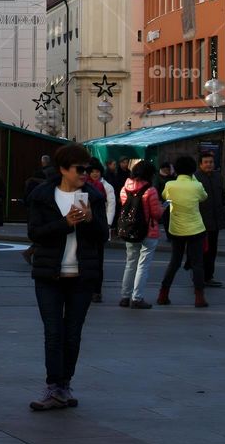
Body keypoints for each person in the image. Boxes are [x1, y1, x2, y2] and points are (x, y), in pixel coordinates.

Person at [26, 143, 108, 411]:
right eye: (80, 169)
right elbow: (35, 233)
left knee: (72, 334)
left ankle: (64, 385)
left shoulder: (93, 197)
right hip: (49, 275)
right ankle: (53, 386)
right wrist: (66, 224)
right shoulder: (42, 195)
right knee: (53, 332)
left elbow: (103, 236)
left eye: (88, 169)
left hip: (81, 276)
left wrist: (90, 221)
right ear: (63, 169)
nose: (85, 173)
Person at [156, 155, 208, 308]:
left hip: (176, 229)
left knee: (174, 262)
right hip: (196, 229)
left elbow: (165, 196)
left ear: (176, 169)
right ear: (193, 169)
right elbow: (204, 197)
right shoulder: (197, 186)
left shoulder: (170, 185)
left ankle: (163, 294)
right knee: (198, 263)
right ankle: (199, 297)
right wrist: (194, 180)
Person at [117, 160, 162, 309]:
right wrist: (163, 208)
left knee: (130, 263)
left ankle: (125, 297)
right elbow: (156, 213)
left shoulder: (125, 189)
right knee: (143, 266)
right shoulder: (151, 190)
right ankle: (137, 298)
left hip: (130, 230)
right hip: (148, 232)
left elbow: (124, 206)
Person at [195, 152, 225, 288]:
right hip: (200, 222)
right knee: (201, 251)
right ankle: (199, 277)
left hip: (215, 221)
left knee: (212, 250)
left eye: (211, 162)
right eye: (206, 162)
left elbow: (223, 195)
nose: (209, 164)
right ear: (200, 164)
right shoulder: (195, 178)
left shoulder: (217, 177)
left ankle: (209, 276)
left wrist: (224, 208)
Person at [85, 160, 113, 302]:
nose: (95, 174)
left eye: (97, 171)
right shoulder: (84, 187)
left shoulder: (104, 186)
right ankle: (92, 290)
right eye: (92, 172)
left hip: (98, 228)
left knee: (97, 262)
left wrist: (107, 225)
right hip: (91, 229)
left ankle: (96, 290)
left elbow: (111, 205)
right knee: (92, 262)